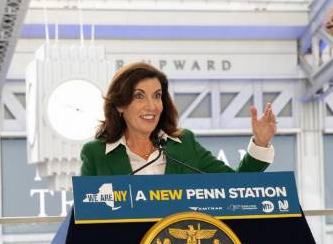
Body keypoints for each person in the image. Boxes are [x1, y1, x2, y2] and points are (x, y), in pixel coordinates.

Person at [80, 62, 277, 177]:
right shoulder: (95, 154)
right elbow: (84, 220)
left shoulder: (185, 144)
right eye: (139, 96)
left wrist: (261, 142)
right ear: (120, 105)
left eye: (157, 96)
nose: (152, 106)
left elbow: (235, 188)